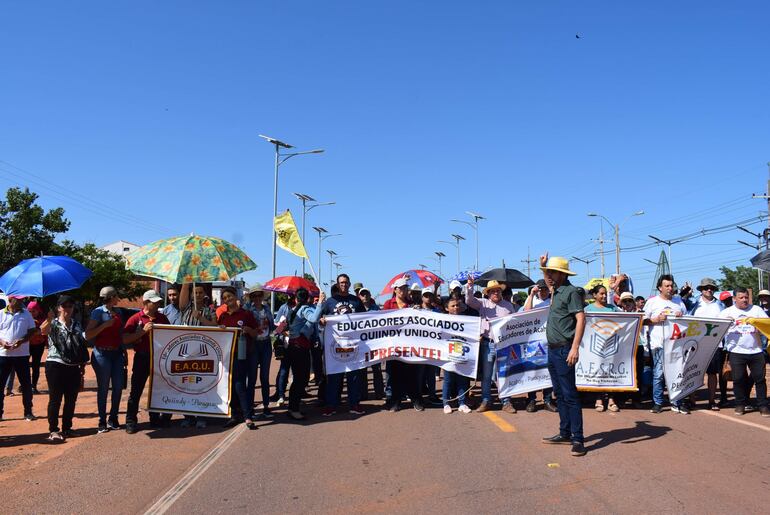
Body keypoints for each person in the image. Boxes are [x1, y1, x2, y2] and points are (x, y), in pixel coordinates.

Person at [538, 254, 587, 458]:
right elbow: (547, 280)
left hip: (565, 349)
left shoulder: (571, 292)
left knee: (570, 395)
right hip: (553, 350)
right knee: (559, 393)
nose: (548, 275)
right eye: (548, 272)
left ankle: (578, 439)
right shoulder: (555, 290)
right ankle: (564, 433)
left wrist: (575, 348)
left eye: (551, 271)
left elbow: (581, 319)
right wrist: (542, 266)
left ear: (561, 274)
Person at [40, 295, 89, 441]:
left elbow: (79, 345)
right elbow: (43, 331)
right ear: (58, 308)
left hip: (73, 366)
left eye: (70, 306)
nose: (67, 308)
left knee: (71, 399)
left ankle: (67, 428)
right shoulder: (53, 323)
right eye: (64, 306)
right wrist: (48, 319)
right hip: (55, 364)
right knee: (55, 399)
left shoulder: (76, 324)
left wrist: (82, 366)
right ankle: (53, 430)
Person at [465, 278, 516, 413]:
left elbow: (514, 324)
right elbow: (469, 301)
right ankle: (486, 400)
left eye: (498, 290)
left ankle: (506, 401)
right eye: (492, 291)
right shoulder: (482, 304)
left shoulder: (509, 306)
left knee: (504, 374)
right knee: (487, 376)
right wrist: (470, 286)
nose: (495, 293)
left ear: (501, 292)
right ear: (488, 293)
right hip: (488, 344)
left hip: (504, 344)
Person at [123, 290, 171, 434]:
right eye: (154, 302)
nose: (157, 304)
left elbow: (170, 336)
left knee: (157, 389)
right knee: (136, 390)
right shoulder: (135, 318)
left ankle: (155, 418)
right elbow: (125, 339)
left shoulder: (163, 318)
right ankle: (131, 421)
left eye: (158, 302)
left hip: (158, 358)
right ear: (145, 303)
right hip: (142, 357)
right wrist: (143, 331)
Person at [320, 274, 366, 416]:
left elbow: (365, 320)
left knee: (353, 376)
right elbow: (320, 317)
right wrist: (322, 321)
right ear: (337, 284)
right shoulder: (330, 302)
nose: (344, 285)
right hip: (335, 344)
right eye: (341, 283)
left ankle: (354, 404)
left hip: (353, 344)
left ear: (350, 284)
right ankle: (331, 405)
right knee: (334, 376)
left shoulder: (356, 301)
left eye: (346, 282)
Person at [720, 287, 770, 417]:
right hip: (736, 351)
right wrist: (727, 323)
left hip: (756, 351)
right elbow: (717, 329)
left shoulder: (756, 310)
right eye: (741, 298)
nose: (744, 300)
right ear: (734, 298)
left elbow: (766, 324)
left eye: (746, 297)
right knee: (738, 380)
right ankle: (740, 404)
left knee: (760, 379)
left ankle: (763, 405)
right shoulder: (726, 312)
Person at [643, 274, 688, 415]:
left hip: (676, 344)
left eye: (671, 285)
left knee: (677, 373)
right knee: (659, 374)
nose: (670, 288)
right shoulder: (652, 302)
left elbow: (688, 320)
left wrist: (682, 316)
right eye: (667, 286)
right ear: (659, 288)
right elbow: (643, 320)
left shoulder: (678, 301)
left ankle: (676, 402)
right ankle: (657, 402)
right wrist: (655, 319)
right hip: (659, 343)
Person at [176, 283, 217, 429]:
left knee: (201, 384)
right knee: (186, 383)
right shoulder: (186, 308)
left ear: (204, 295)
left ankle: (201, 416)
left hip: (202, 352)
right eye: (195, 292)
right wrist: (187, 283)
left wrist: (201, 318)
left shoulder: (209, 310)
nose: (198, 295)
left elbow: (214, 326)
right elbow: (182, 300)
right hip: (186, 352)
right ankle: (188, 416)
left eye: (200, 293)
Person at [280, 288, 326, 420]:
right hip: (300, 348)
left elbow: (284, 326)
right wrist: (320, 303)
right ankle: (293, 408)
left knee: (299, 378)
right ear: (308, 299)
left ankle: (293, 406)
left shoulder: (293, 310)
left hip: (293, 347)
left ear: (296, 298)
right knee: (301, 378)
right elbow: (314, 318)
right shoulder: (305, 309)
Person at [217, 286, 259, 429]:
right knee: (231, 385)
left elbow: (255, 333)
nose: (227, 299)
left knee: (239, 384)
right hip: (227, 355)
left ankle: (247, 416)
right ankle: (236, 414)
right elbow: (216, 332)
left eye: (229, 296)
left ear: (235, 296)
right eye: (224, 298)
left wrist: (248, 330)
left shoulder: (246, 314)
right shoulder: (222, 316)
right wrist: (221, 329)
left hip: (242, 354)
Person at [85, 286, 125, 433]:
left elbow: (120, 334)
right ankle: (102, 420)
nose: (118, 298)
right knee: (103, 388)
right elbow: (88, 335)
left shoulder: (119, 312)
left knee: (118, 386)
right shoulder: (98, 312)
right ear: (111, 297)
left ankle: (113, 418)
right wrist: (104, 325)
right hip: (102, 354)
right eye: (116, 296)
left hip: (117, 354)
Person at [382, 277, 421, 411]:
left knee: (412, 374)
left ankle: (416, 400)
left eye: (405, 288)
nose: (403, 291)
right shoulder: (388, 303)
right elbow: (381, 321)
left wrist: (417, 311)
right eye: (401, 288)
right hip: (393, 345)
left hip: (409, 345)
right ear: (395, 290)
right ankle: (396, 401)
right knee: (395, 374)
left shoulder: (412, 304)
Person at [689, 278, 726, 410]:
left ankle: (711, 401)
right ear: (701, 290)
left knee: (712, 373)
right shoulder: (693, 303)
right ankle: (691, 401)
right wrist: (685, 293)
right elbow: (680, 305)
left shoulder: (720, 305)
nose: (709, 290)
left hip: (715, 344)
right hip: (695, 343)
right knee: (694, 372)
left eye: (711, 288)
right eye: (705, 288)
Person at [585, 284, 622, 413]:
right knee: (598, 372)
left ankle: (611, 399)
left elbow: (626, 320)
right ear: (594, 295)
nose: (604, 296)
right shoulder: (588, 309)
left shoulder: (613, 308)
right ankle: (599, 399)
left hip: (611, 345)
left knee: (610, 372)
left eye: (605, 293)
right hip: (595, 347)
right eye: (601, 293)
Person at [0, 295, 37, 422]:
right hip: (3, 355)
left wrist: (22, 340)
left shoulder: (26, 314)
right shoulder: (1, 314)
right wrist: (2, 342)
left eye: (22, 299)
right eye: (19, 299)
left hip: (22, 355)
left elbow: (32, 331)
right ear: (10, 300)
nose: (21, 301)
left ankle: (28, 412)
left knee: (26, 384)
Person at [523, 280, 557, 413]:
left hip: (548, 341)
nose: (543, 292)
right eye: (540, 289)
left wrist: (552, 292)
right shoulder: (532, 300)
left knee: (547, 372)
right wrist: (531, 295)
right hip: (533, 342)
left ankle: (547, 400)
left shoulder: (551, 301)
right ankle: (531, 400)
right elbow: (526, 311)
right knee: (533, 371)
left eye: (545, 289)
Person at [242, 284, 275, 419]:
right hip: (253, 345)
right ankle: (250, 408)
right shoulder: (247, 310)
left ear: (262, 296)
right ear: (250, 297)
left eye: (258, 295)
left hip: (266, 344)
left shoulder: (267, 308)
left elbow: (272, 326)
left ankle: (266, 406)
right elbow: (243, 325)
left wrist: (280, 328)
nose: (256, 298)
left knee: (265, 377)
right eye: (253, 296)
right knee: (252, 378)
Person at [442, 297, 473, 414]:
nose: (455, 308)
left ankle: (462, 403)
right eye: (452, 306)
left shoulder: (466, 320)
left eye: (457, 305)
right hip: (447, 353)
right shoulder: (442, 320)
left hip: (461, 351)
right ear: (446, 308)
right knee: (448, 380)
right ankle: (446, 403)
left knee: (462, 379)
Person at [358, 287, 385, 400]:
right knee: (362, 370)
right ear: (359, 296)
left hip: (374, 344)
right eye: (362, 294)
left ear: (370, 295)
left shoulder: (376, 309)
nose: (364, 296)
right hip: (361, 344)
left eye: (366, 294)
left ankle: (379, 392)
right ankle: (363, 394)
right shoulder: (356, 309)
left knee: (377, 369)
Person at [271, 294, 296, 406]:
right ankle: (280, 394)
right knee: (284, 369)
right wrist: (284, 331)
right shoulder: (284, 308)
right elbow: (277, 327)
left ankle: (296, 395)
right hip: (285, 343)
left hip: (298, 344)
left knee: (297, 371)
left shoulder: (303, 308)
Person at [25, 301, 47, 395]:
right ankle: (25, 385)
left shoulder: (43, 320)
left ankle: (34, 385)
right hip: (27, 345)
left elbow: (43, 331)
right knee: (25, 366)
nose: (32, 313)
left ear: (38, 311)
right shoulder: (25, 319)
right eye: (29, 311)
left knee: (36, 365)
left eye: (34, 311)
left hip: (39, 345)